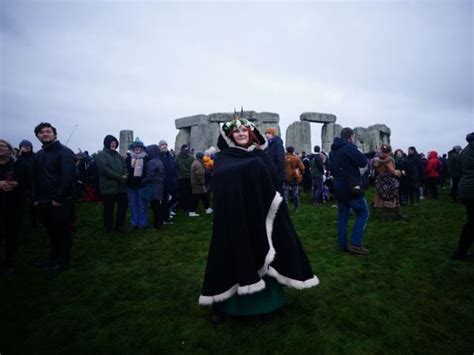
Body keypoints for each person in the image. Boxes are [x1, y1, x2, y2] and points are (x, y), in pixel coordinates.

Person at [199, 114, 319, 324]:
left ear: (251, 133)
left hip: (261, 214)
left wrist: (261, 153)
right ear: (230, 136)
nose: (241, 133)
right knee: (228, 255)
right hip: (233, 217)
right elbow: (220, 185)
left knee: (263, 249)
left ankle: (265, 304)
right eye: (236, 131)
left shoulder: (259, 156)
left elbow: (273, 180)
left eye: (245, 130)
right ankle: (225, 305)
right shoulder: (224, 158)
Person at [32, 122, 76, 275]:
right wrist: (35, 198)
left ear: (54, 134)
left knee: (62, 232)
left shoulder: (65, 152)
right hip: (43, 200)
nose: (45, 134)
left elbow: (67, 178)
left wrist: (58, 198)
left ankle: (63, 261)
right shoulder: (38, 155)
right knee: (51, 232)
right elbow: (35, 178)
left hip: (59, 201)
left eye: (48, 131)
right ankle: (53, 258)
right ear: (37, 136)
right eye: (41, 132)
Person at [330, 127, 369, 255]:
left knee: (343, 217)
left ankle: (342, 244)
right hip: (351, 186)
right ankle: (356, 243)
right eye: (353, 137)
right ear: (350, 137)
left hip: (338, 186)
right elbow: (363, 162)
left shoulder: (333, 150)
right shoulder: (348, 147)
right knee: (363, 212)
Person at [0, 140, 26, 275]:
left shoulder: (18, 164)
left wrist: (17, 184)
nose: (1, 148)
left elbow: (27, 181)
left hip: (13, 204)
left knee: (12, 234)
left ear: (10, 149)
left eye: (3, 146)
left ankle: (9, 261)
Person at [95, 135, 128, 234]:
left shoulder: (118, 156)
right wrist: (120, 177)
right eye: (111, 142)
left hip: (121, 187)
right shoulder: (101, 155)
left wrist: (126, 174)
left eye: (115, 142)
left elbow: (125, 166)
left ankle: (119, 226)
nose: (113, 144)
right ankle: (109, 228)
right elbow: (105, 170)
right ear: (107, 143)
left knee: (123, 206)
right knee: (109, 208)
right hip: (109, 187)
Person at [452, 133, 474, 260]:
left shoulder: (465, 151)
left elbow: (460, 169)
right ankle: (461, 251)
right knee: (472, 223)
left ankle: (461, 250)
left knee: (471, 222)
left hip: (466, 188)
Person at [373, 145, 406, 221]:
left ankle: (397, 213)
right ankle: (386, 216)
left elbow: (377, 168)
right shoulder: (388, 160)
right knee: (390, 198)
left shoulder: (378, 159)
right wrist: (399, 172)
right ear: (389, 151)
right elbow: (392, 171)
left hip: (380, 181)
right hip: (388, 181)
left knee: (385, 198)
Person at [126, 138, 149, 230]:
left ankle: (142, 223)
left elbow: (148, 171)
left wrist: (145, 179)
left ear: (142, 148)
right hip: (131, 185)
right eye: (135, 147)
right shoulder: (128, 159)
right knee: (133, 204)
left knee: (142, 204)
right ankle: (134, 223)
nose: (137, 149)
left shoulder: (146, 158)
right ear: (132, 148)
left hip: (142, 185)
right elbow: (126, 171)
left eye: (139, 147)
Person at [144, 144, 166, 229]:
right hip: (160, 185)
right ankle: (160, 222)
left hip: (154, 186)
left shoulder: (151, 163)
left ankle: (157, 223)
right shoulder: (159, 161)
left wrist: (143, 181)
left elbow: (150, 177)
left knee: (155, 206)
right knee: (158, 205)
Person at [16, 139, 37, 228]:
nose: (25, 148)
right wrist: (19, 157)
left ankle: (35, 222)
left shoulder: (35, 157)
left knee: (34, 204)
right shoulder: (18, 158)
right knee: (22, 204)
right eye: (23, 146)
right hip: (22, 185)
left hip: (34, 184)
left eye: (27, 146)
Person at [157, 140, 178, 223]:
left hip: (172, 181)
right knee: (164, 201)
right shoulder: (158, 157)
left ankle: (165, 212)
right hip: (163, 182)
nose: (164, 146)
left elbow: (174, 167)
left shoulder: (170, 156)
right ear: (159, 147)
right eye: (162, 145)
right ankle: (165, 217)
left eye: (165, 144)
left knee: (176, 197)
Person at [189, 152, 213, 217]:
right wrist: (202, 183)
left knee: (204, 196)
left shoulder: (196, 162)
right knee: (195, 198)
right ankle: (192, 211)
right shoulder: (198, 164)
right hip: (198, 184)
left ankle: (207, 208)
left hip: (197, 183)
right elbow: (199, 175)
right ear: (201, 157)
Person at [283, 146, 305, 212]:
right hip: (294, 177)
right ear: (293, 151)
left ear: (286, 150)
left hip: (285, 178)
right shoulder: (296, 158)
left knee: (285, 194)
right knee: (295, 194)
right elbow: (302, 168)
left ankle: (285, 209)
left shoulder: (283, 158)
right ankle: (297, 208)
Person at [264, 127, 285, 192]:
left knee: (277, 193)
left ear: (273, 134)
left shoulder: (278, 144)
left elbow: (280, 160)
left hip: (276, 174)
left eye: (269, 133)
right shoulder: (269, 144)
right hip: (270, 173)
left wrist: (274, 171)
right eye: (266, 133)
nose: (266, 135)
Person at [175, 144, 194, 213]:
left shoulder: (177, 157)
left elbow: (175, 166)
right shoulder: (192, 158)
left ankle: (184, 207)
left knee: (183, 193)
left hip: (181, 177)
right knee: (189, 193)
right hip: (189, 177)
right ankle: (189, 207)